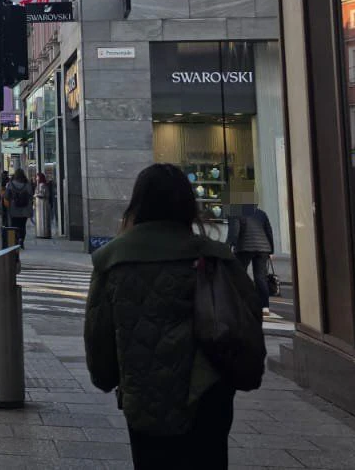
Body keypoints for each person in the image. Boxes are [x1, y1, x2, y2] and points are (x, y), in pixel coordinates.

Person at [85, 163, 264, 469]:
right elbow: (247, 320)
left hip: (145, 398)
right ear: (187, 204)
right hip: (208, 396)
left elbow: (98, 337)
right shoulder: (215, 256)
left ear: (137, 204)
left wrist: (108, 377)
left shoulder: (114, 260)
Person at [227, 204, 277, 318]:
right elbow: (269, 231)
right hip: (263, 248)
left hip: (245, 247)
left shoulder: (236, 212)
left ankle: (241, 303)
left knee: (239, 275)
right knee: (260, 278)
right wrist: (271, 251)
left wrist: (228, 247)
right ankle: (265, 307)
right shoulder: (261, 213)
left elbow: (234, 232)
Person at [4, 169, 33, 247]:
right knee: (22, 225)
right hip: (25, 209)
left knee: (14, 225)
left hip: (14, 209)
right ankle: (21, 239)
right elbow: (31, 195)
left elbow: (6, 196)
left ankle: (15, 240)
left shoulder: (11, 184)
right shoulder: (27, 184)